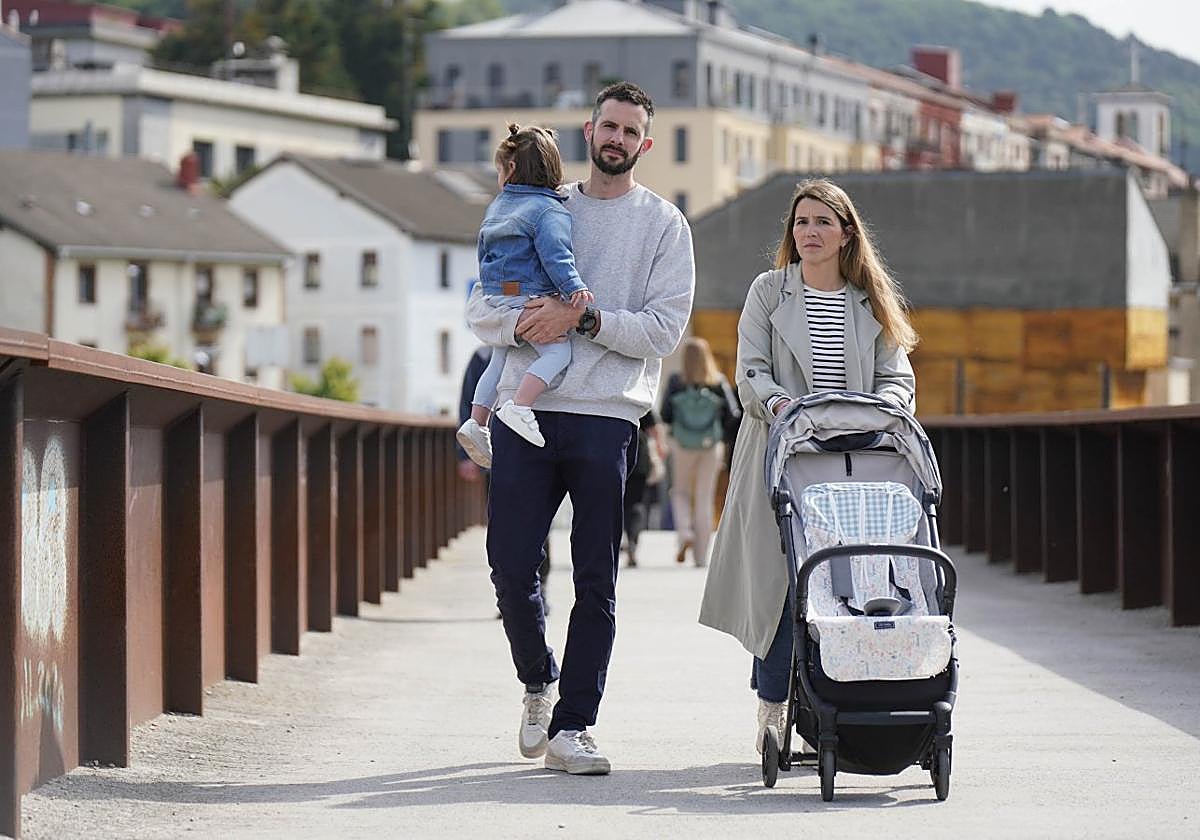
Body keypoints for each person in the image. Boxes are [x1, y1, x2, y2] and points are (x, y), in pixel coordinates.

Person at [465, 81, 694, 775]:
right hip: (525, 412)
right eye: (609, 127)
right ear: (588, 131)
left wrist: (584, 320)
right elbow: (480, 309)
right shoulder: (537, 203)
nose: (618, 139)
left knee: (598, 577)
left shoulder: (663, 225)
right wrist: (529, 320)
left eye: (631, 131)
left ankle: (574, 725)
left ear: (644, 144)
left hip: (606, 418)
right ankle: (538, 682)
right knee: (510, 566)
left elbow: (663, 330)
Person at [698, 178, 917, 753]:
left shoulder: (872, 302)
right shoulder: (770, 292)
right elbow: (751, 369)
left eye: (822, 221)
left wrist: (884, 410)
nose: (809, 232)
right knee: (781, 588)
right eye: (800, 222)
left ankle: (846, 706)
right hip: (780, 455)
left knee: (844, 583)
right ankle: (772, 707)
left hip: (855, 466)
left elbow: (898, 378)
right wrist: (780, 404)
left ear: (847, 233)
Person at [457, 124, 595, 467]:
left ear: (512, 169)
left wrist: (493, 291)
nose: (499, 177)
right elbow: (556, 254)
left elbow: (483, 252)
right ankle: (521, 406)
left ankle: (477, 422)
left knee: (498, 359)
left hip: (497, 295)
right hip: (529, 296)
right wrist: (573, 287)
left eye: (500, 170)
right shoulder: (548, 211)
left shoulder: (497, 207)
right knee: (558, 352)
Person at [456, 344, 551, 615]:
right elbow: (468, 402)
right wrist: (466, 454)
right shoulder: (484, 356)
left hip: (538, 444)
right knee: (505, 528)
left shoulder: (542, 346)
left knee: (538, 524)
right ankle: (512, 597)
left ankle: (538, 589)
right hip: (498, 451)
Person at [660, 337, 740, 568]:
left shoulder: (677, 381)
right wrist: (718, 435)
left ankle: (685, 532)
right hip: (710, 445)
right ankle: (701, 557)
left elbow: (665, 413)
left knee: (681, 491)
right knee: (705, 497)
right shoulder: (717, 381)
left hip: (682, 444)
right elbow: (733, 413)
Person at [622, 410, 667, 569]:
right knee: (637, 504)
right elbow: (656, 428)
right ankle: (633, 541)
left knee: (615, 502)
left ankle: (621, 539)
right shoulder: (638, 397)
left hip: (615, 452)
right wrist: (660, 451)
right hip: (639, 457)